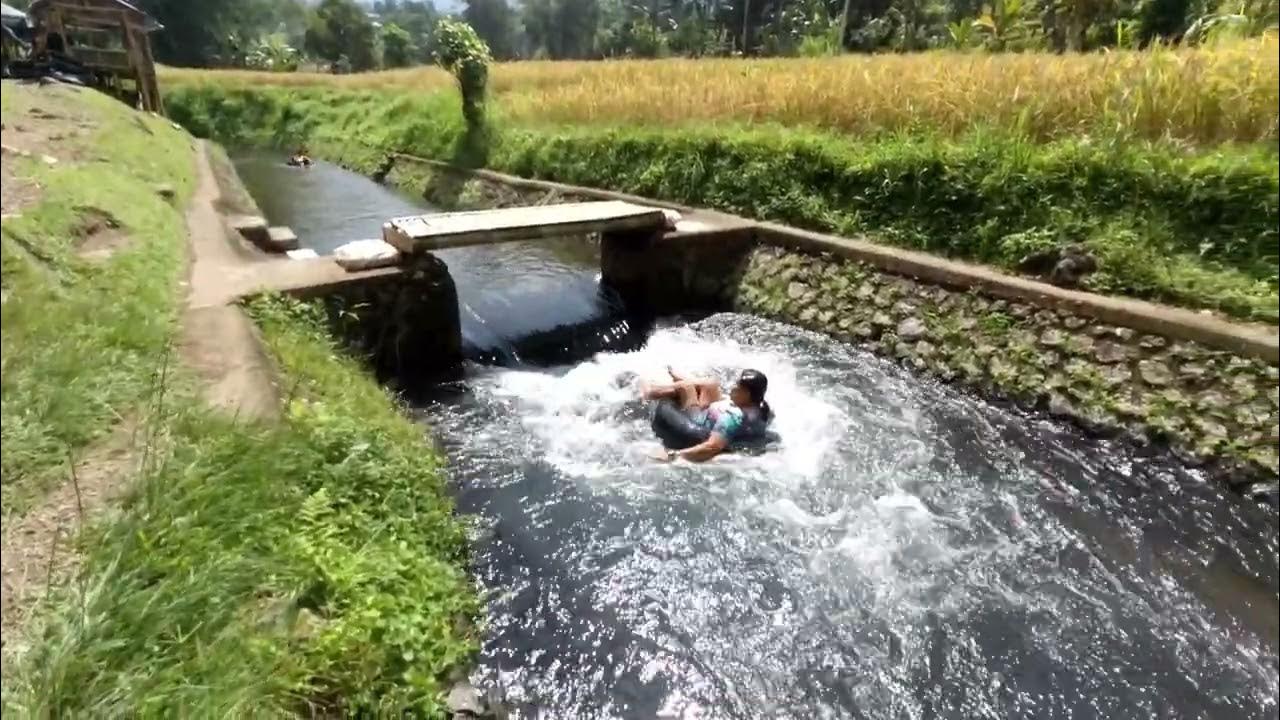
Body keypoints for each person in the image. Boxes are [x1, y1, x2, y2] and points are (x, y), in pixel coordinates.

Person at [642, 367, 771, 463]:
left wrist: (674, 456)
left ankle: (648, 390)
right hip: (713, 414)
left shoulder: (732, 418)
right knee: (710, 384)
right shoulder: (760, 407)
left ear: (747, 394)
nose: (732, 387)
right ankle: (685, 381)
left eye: (736, 386)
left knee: (685, 387)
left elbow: (712, 446)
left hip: (698, 423)